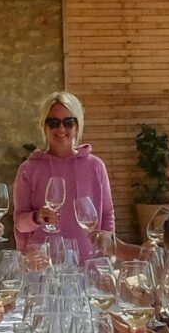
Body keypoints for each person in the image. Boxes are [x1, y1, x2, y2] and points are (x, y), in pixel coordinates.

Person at [13, 91, 115, 261]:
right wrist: (37, 217)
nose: (61, 129)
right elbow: (20, 223)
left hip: (88, 262)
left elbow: (107, 215)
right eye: (53, 122)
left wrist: (108, 251)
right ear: (44, 126)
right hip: (43, 264)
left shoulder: (95, 166)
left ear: (78, 125)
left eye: (68, 122)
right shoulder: (29, 169)